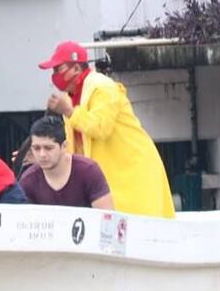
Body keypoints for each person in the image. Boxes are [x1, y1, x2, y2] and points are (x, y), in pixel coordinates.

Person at [39, 40, 175, 218]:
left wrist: (70, 111)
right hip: (111, 179)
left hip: (133, 173)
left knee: (138, 229)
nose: (54, 75)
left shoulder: (102, 87)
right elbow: (74, 147)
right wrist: (42, 155)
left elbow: (101, 127)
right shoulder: (70, 100)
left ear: (76, 69)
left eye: (58, 69)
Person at [19, 115, 114, 209]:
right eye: (36, 148)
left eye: (48, 148)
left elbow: (106, 218)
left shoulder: (89, 171)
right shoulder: (28, 180)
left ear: (64, 146)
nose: (42, 154)